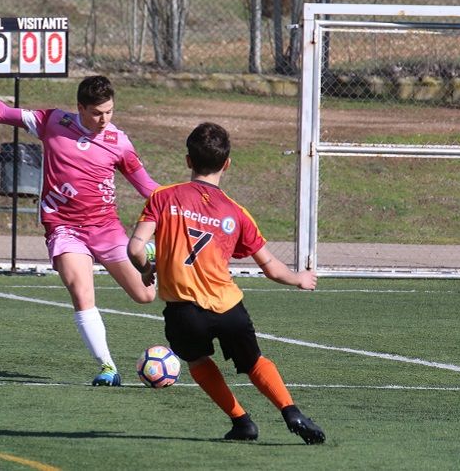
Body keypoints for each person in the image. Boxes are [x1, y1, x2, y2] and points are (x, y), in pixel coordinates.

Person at [0, 66, 158, 386]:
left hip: (106, 228)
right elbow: (2, 113)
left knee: (145, 295)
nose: (104, 119)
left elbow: (148, 187)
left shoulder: (119, 141)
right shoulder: (53, 121)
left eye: (109, 111)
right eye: (97, 113)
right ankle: (107, 367)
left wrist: (183, 204)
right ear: (80, 108)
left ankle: (148, 252)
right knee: (81, 292)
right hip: (65, 229)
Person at [127, 122, 326, 444]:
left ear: (188, 161)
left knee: (197, 360)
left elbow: (135, 248)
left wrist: (147, 268)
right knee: (254, 361)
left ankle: (241, 421)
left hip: (184, 311)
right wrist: (299, 279)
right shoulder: (237, 212)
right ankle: (291, 412)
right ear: (227, 164)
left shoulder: (163, 197)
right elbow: (271, 267)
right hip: (229, 308)